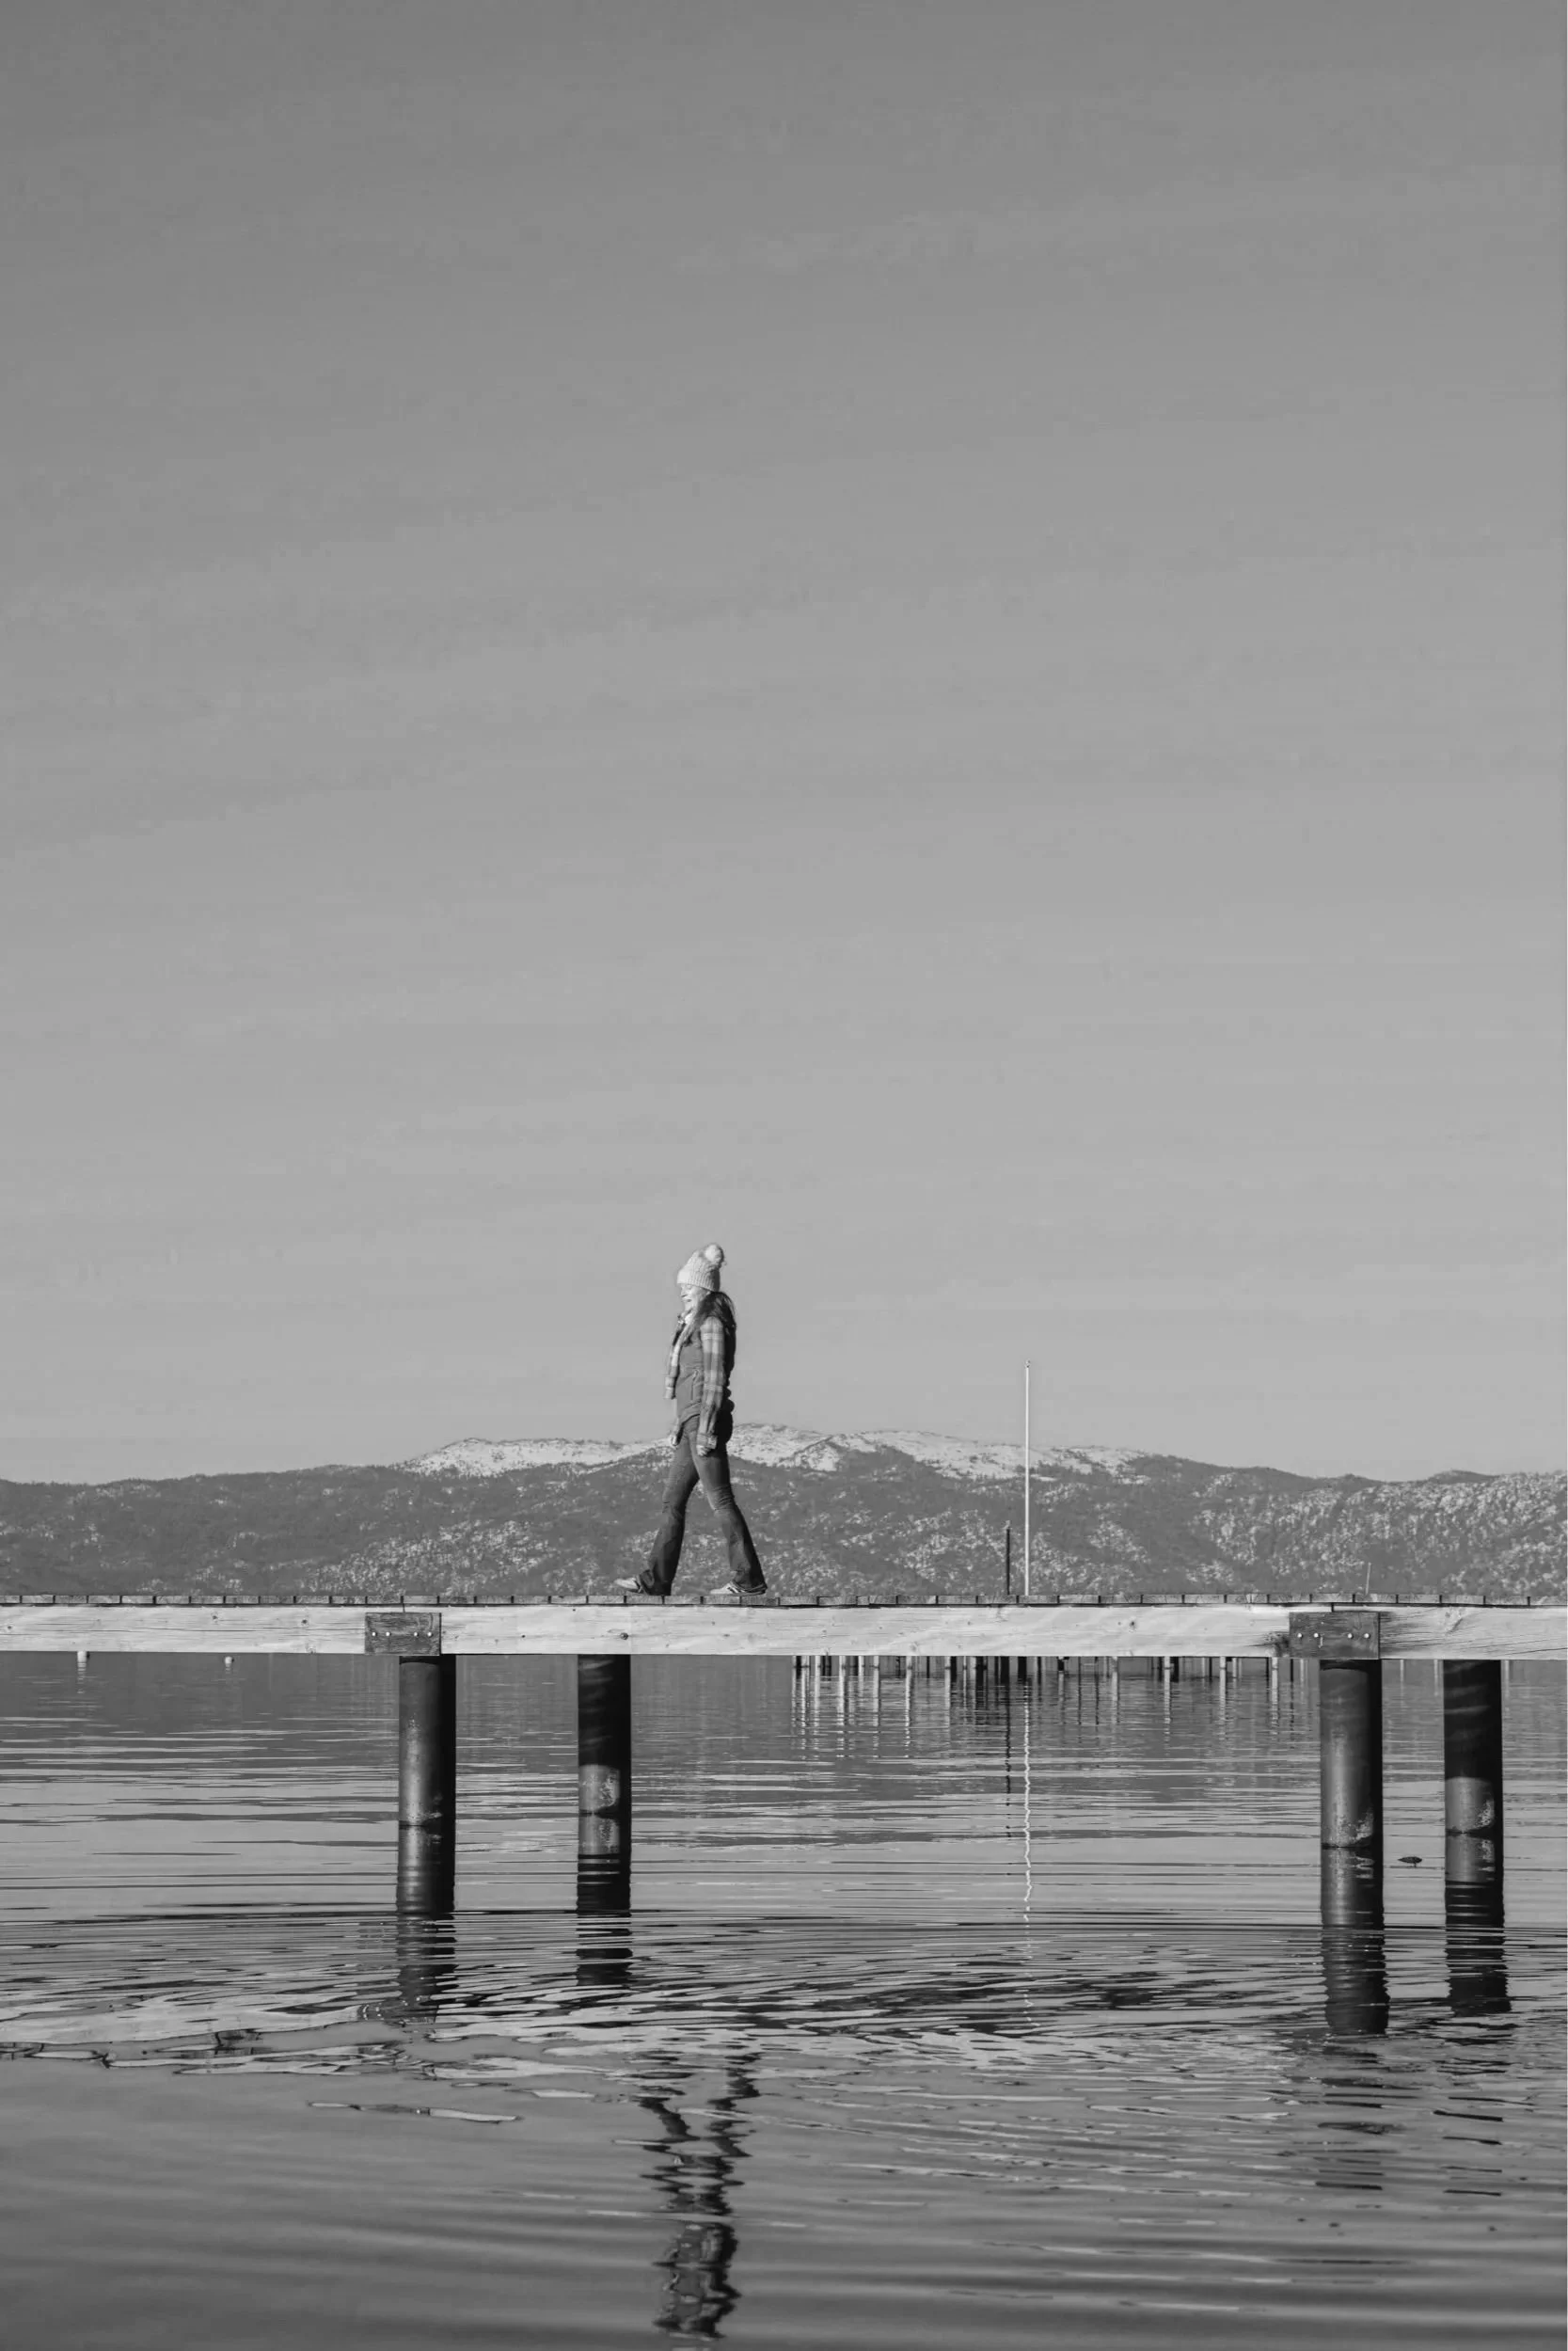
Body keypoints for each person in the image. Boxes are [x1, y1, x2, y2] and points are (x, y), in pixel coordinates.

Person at [619, 1244, 767, 1600]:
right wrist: (680, 1425)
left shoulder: (712, 1325)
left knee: (720, 1500)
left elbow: (714, 1380)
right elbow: (689, 1380)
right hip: (690, 1422)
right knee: (672, 1502)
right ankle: (655, 1581)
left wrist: (705, 1429)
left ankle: (748, 1579)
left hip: (705, 1422)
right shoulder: (691, 1325)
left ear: (703, 1289)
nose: (682, 1292)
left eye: (688, 1287)